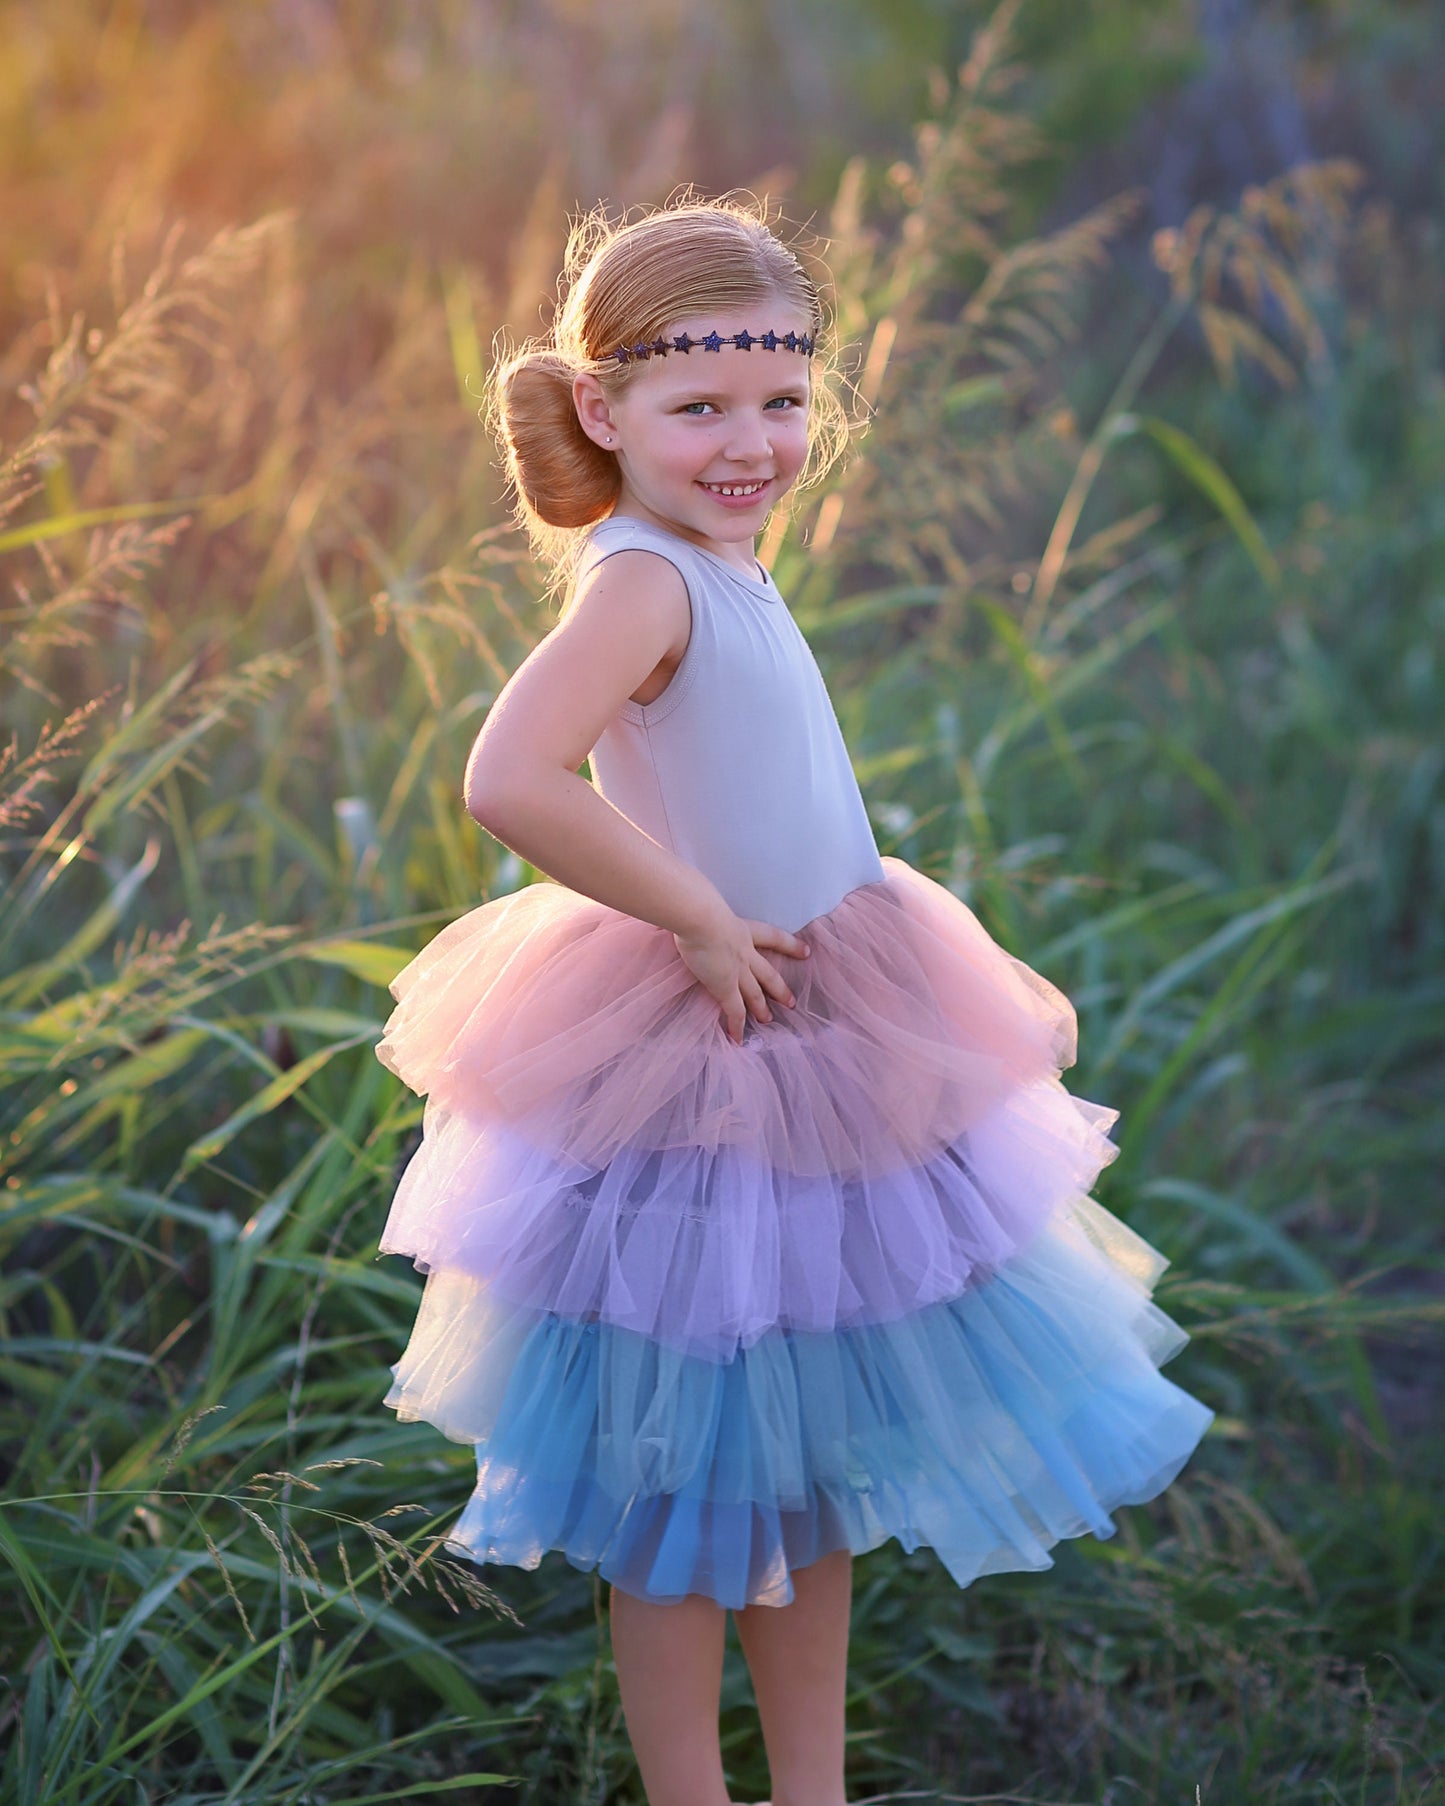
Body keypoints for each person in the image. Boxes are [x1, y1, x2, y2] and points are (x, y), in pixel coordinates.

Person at [373, 194, 1213, 1806]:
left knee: (807, 1473)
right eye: (700, 410)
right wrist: (691, 914)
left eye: (781, 400)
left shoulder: (717, 558)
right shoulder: (638, 582)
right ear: (605, 411)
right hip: (709, 1062)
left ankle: (808, 1787)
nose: (751, 441)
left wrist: (923, 944)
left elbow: (782, 789)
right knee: (682, 1487)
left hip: (823, 1010)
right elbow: (507, 775)